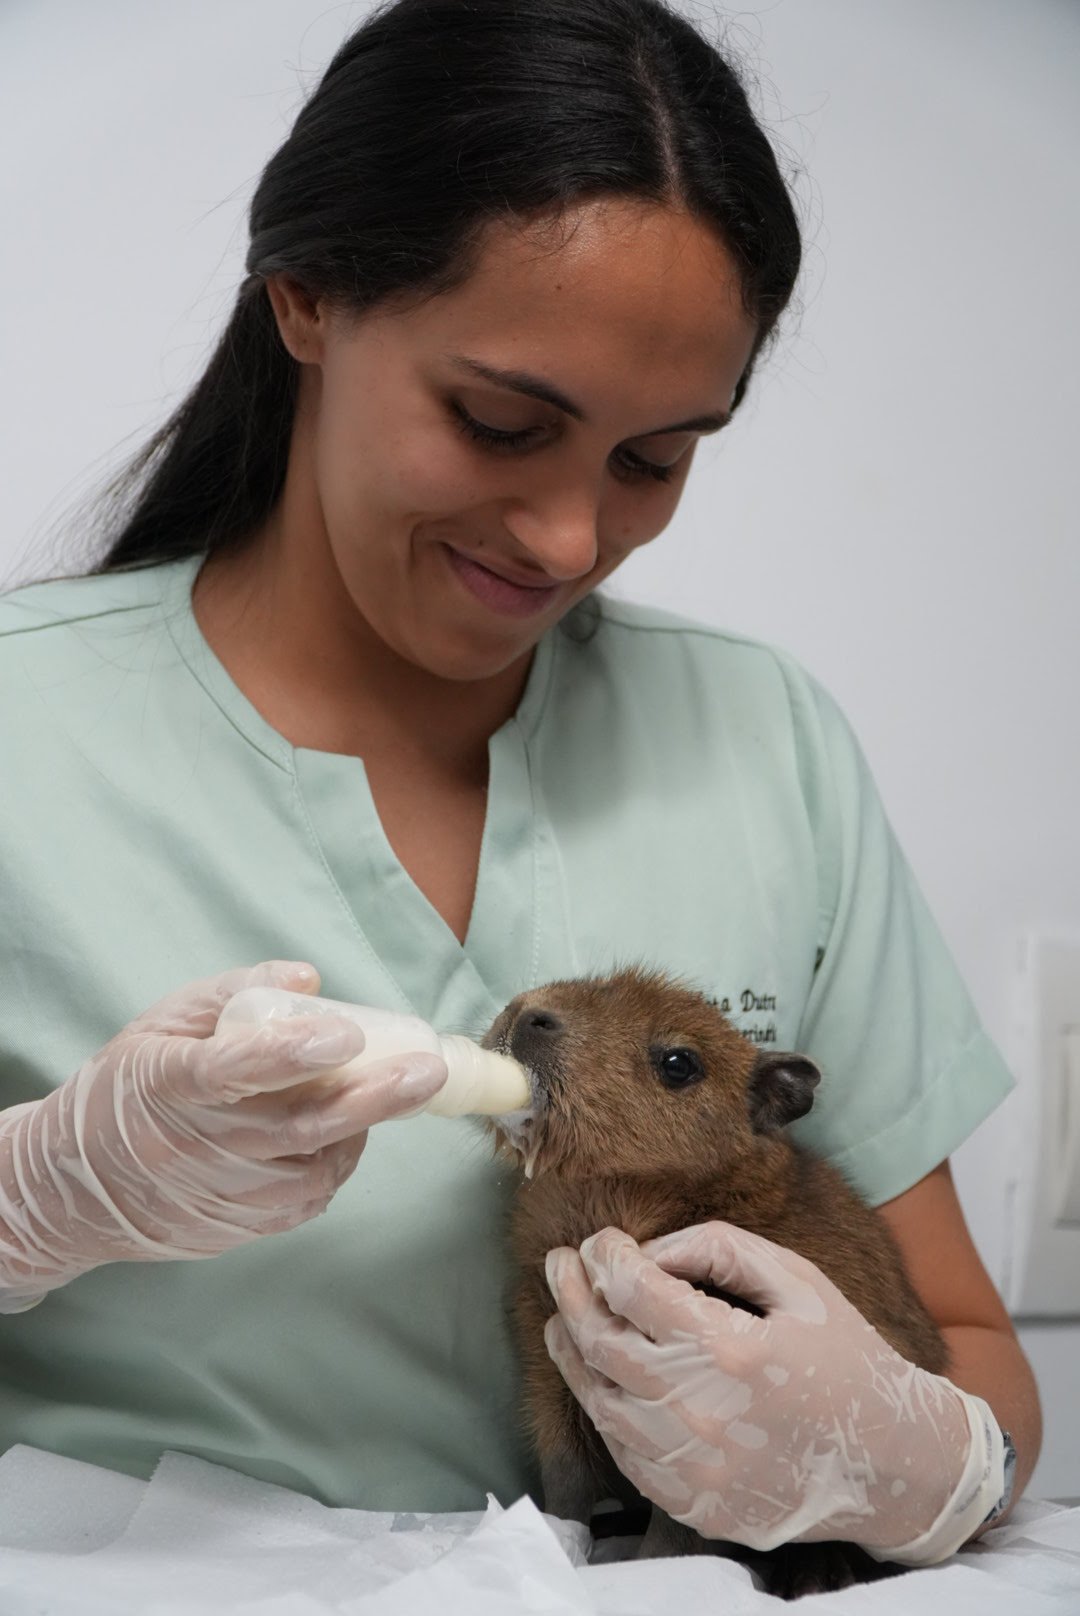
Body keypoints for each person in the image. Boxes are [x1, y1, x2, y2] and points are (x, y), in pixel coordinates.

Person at [0, 0, 1039, 1570]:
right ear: (306, 301)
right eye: (501, 422)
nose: (567, 538)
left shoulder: (765, 740)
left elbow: (968, 1339)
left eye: (654, 459)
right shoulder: (28, 727)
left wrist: (920, 1462)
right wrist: (40, 1196)